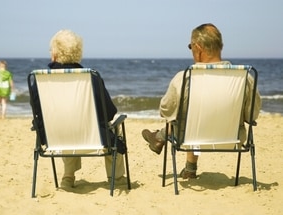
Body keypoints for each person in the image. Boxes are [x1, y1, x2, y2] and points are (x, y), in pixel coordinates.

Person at [142, 23, 262, 179]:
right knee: (190, 116)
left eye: (190, 47)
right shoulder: (246, 78)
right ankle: (188, 167)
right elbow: (252, 114)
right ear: (221, 46)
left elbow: (166, 111)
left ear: (197, 48)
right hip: (234, 138)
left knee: (184, 117)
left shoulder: (184, 78)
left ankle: (160, 137)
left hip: (189, 136)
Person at [38, 29, 126, 188]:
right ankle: (117, 178)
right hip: (93, 138)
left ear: (55, 54)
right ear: (78, 52)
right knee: (113, 130)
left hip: (57, 138)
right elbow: (110, 112)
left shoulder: (42, 80)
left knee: (65, 124)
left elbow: (38, 112)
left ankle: (68, 176)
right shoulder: (91, 77)